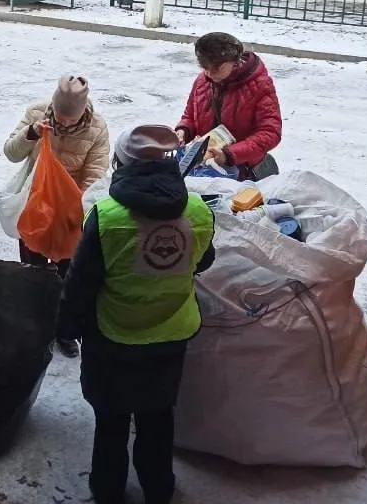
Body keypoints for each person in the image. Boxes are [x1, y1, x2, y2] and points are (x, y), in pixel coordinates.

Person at [55, 124, 215, 504]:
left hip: (114, 336)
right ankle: (158, 488)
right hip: (171, 335)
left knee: (110, 420)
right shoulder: (198, 211)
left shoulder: (106, 217)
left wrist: (66, 325)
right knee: (158, 416)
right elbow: (204, 260)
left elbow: (81, 282)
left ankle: (108, 489)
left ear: (121, 163)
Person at [2, 75, 110, 358]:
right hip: (35, 204)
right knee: (33, 270)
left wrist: (77, 207)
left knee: (68, 273)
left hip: (70, 210)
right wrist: (31, 134)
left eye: (69, 120)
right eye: (59, 117)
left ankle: (63, 330)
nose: (63, 123)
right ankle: (36, 326)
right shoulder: (36, 113)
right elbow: (11, 153)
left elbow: (95, 174)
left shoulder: (97, 128)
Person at [175, 33, 282, 180]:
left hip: (242, 172)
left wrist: (230, 155)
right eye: (205, 67)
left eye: (216, 68)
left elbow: (270, 133)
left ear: (234, 62)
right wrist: (183, 131)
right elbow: (190, 117)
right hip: (204, 167)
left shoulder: (260, 85)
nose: (209, 73)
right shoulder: (202, 81)